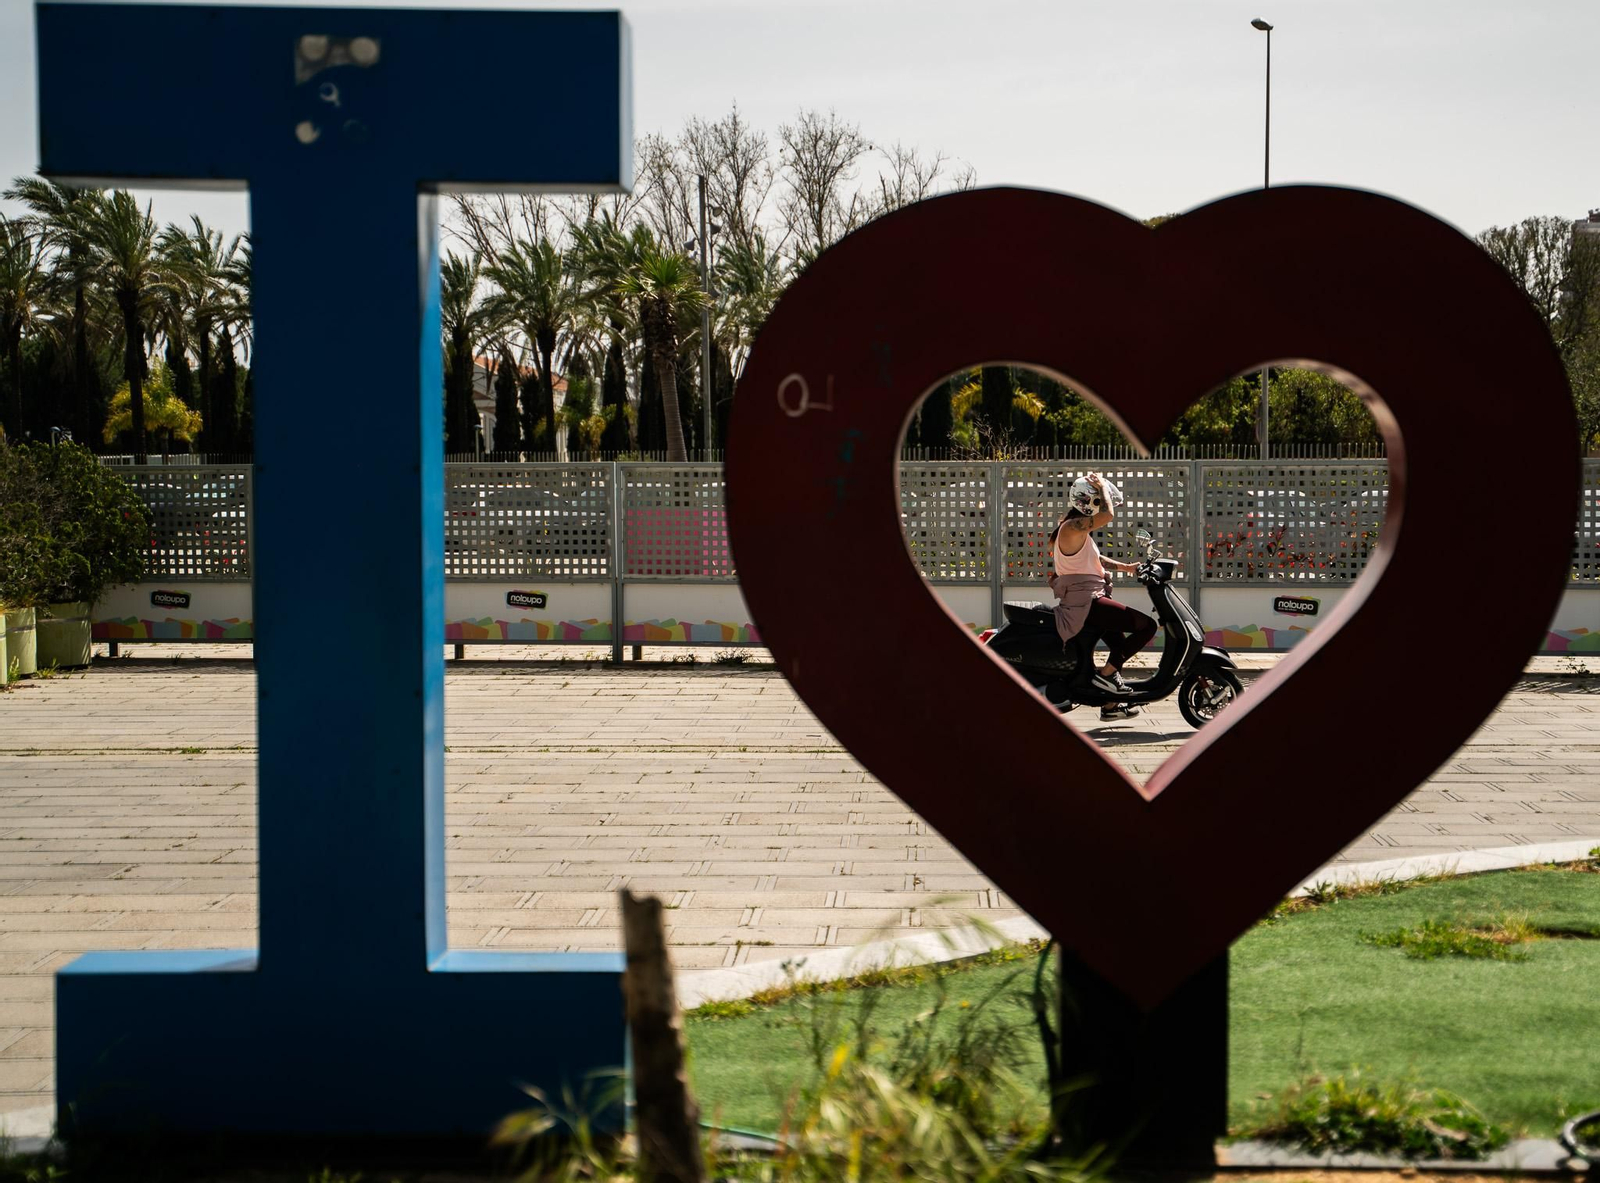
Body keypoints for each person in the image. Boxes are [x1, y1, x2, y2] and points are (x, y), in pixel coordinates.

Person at [1047, 472, 1157, 722]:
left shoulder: (1075, 529)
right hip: (1086, 602)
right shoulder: (1071, 527)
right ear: (1091, 502)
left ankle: (1110, 706)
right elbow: (1108, 515)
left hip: (1090, 596)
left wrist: (1127, 567)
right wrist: (1103, 489)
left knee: (1119, 646)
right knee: (1147, 627)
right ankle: (1105, 677)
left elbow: (1094, 560)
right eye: (1099, 499)